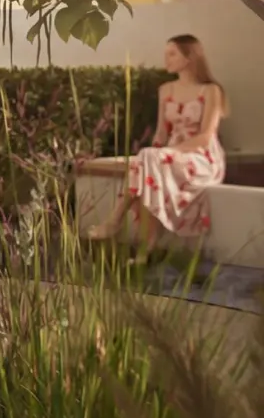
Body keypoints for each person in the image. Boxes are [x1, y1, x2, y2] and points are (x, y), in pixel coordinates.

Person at [85, 34, 227, 257]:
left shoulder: (210, 91)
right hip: (168, 155)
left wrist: (164, 153)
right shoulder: (166, 90)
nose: (166, 59)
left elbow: (206, 137)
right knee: (147, 166)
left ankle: (116, 221)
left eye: (172, 54)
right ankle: (146, 249)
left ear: (189, 57)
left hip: (201, 156)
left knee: (148, 160)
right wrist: (157, 151)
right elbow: (161, 131)